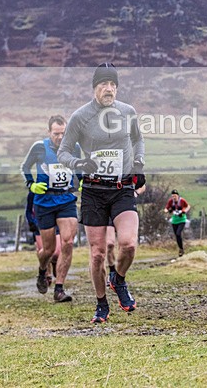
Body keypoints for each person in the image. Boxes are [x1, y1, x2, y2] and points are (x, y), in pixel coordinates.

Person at [58, 63, 145, 323]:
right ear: (95, 87)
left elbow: (138, 139)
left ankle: (117, 279)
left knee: (128, 244)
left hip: (122, 188)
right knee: (97, 253)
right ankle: (101, 303)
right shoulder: (80, 116)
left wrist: (138, 164)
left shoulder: (127, 112)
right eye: (104, 85)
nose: (109, 89)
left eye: (113, 85)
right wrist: (79, 164)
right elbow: (63, 151)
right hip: (94, 191)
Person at [21, 114, 80, 302]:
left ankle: (59, 288)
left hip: (66, 200)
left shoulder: (74, 147)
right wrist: (32, 185)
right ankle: (41, 271)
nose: (60, 137)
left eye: (63, 133)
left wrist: (80, 181)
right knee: (48, 250)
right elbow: (25, 167)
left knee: (68, 242)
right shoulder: (39, 147)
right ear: (49, 132)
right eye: (56, 134)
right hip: (44, 202)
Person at [24, 191, 60, 287]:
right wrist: (31, 223)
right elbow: (28, 211)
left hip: (54, 224)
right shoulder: (33, 192)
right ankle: (46, 274)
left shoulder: (55, 190)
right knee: (43, 251)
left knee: (55, 253)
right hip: (38, 226)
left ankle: (55, 263)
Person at [164, 189, 190, 256]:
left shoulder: (182, 200)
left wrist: (184, 211)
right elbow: (166, 208)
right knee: (177, 236)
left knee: (178, 233)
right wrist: (167, 210)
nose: (174, 197)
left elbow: (188, 206)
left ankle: (181, 249)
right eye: (172, 196)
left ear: (177, 196)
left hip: (182, 220)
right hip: (174, 221)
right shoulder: (170, 201)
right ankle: (181, 249)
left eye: (175, 196)